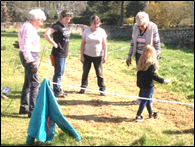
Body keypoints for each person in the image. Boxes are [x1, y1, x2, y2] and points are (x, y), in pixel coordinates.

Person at [126, 11, 161, 104]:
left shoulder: (153, 27)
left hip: (149, 56)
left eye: (142, 26)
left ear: (146, 23)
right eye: (138, 26)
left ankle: (148, 98)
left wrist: (155, 57)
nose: (140, 28)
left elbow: (157, 44)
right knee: (141, 77)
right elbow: (133, 42)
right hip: (139, 55)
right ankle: (141, 98)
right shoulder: (135, 27)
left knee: (149, 77)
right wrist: (129, 56)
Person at [18, 9, 46, 118]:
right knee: (35, 83)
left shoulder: (25, 26)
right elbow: (25, 47)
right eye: (41, 21)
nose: (41, 24)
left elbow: (23, 43)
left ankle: (24, 106)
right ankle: (33, 111)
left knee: (28, 81)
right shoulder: (29, 29)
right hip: (30, 57)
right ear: (35, 19)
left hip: (28, 56)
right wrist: (32, 61)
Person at [135, 45, 171, 122]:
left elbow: (138, 74)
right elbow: (153, 75)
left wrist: (139, 83)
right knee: (144, 100)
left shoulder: (141, 62)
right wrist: (162, 80)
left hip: (141, 84)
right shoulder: (151, 64)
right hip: (148, 86)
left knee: (148, 99)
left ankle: (151, 113)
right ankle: (138, 116)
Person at [44, 10, 73, 97]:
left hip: (64, 53)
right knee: (58, 72)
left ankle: (58, 88)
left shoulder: (65, 26)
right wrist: (54, 44)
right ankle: (56, 90)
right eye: (66, 19)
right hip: (58, 53)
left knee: (61, 72)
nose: (68, 21)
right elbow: (46, 34)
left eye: (69, 19)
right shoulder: (56, 26)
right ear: (62, 17)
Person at [79, 15, 108, 96]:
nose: (96, 25)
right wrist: (82, 56)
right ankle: (83, 87)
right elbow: (82, 44)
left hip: (98, 56)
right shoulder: (86, 32)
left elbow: (105, 44)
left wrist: (105, 56)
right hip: (87, 55)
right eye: (95, 24)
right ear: (91, 23)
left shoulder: (102, 32)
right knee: (85, 72)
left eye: (98, 24)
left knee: (99, 73)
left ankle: (102, 89)